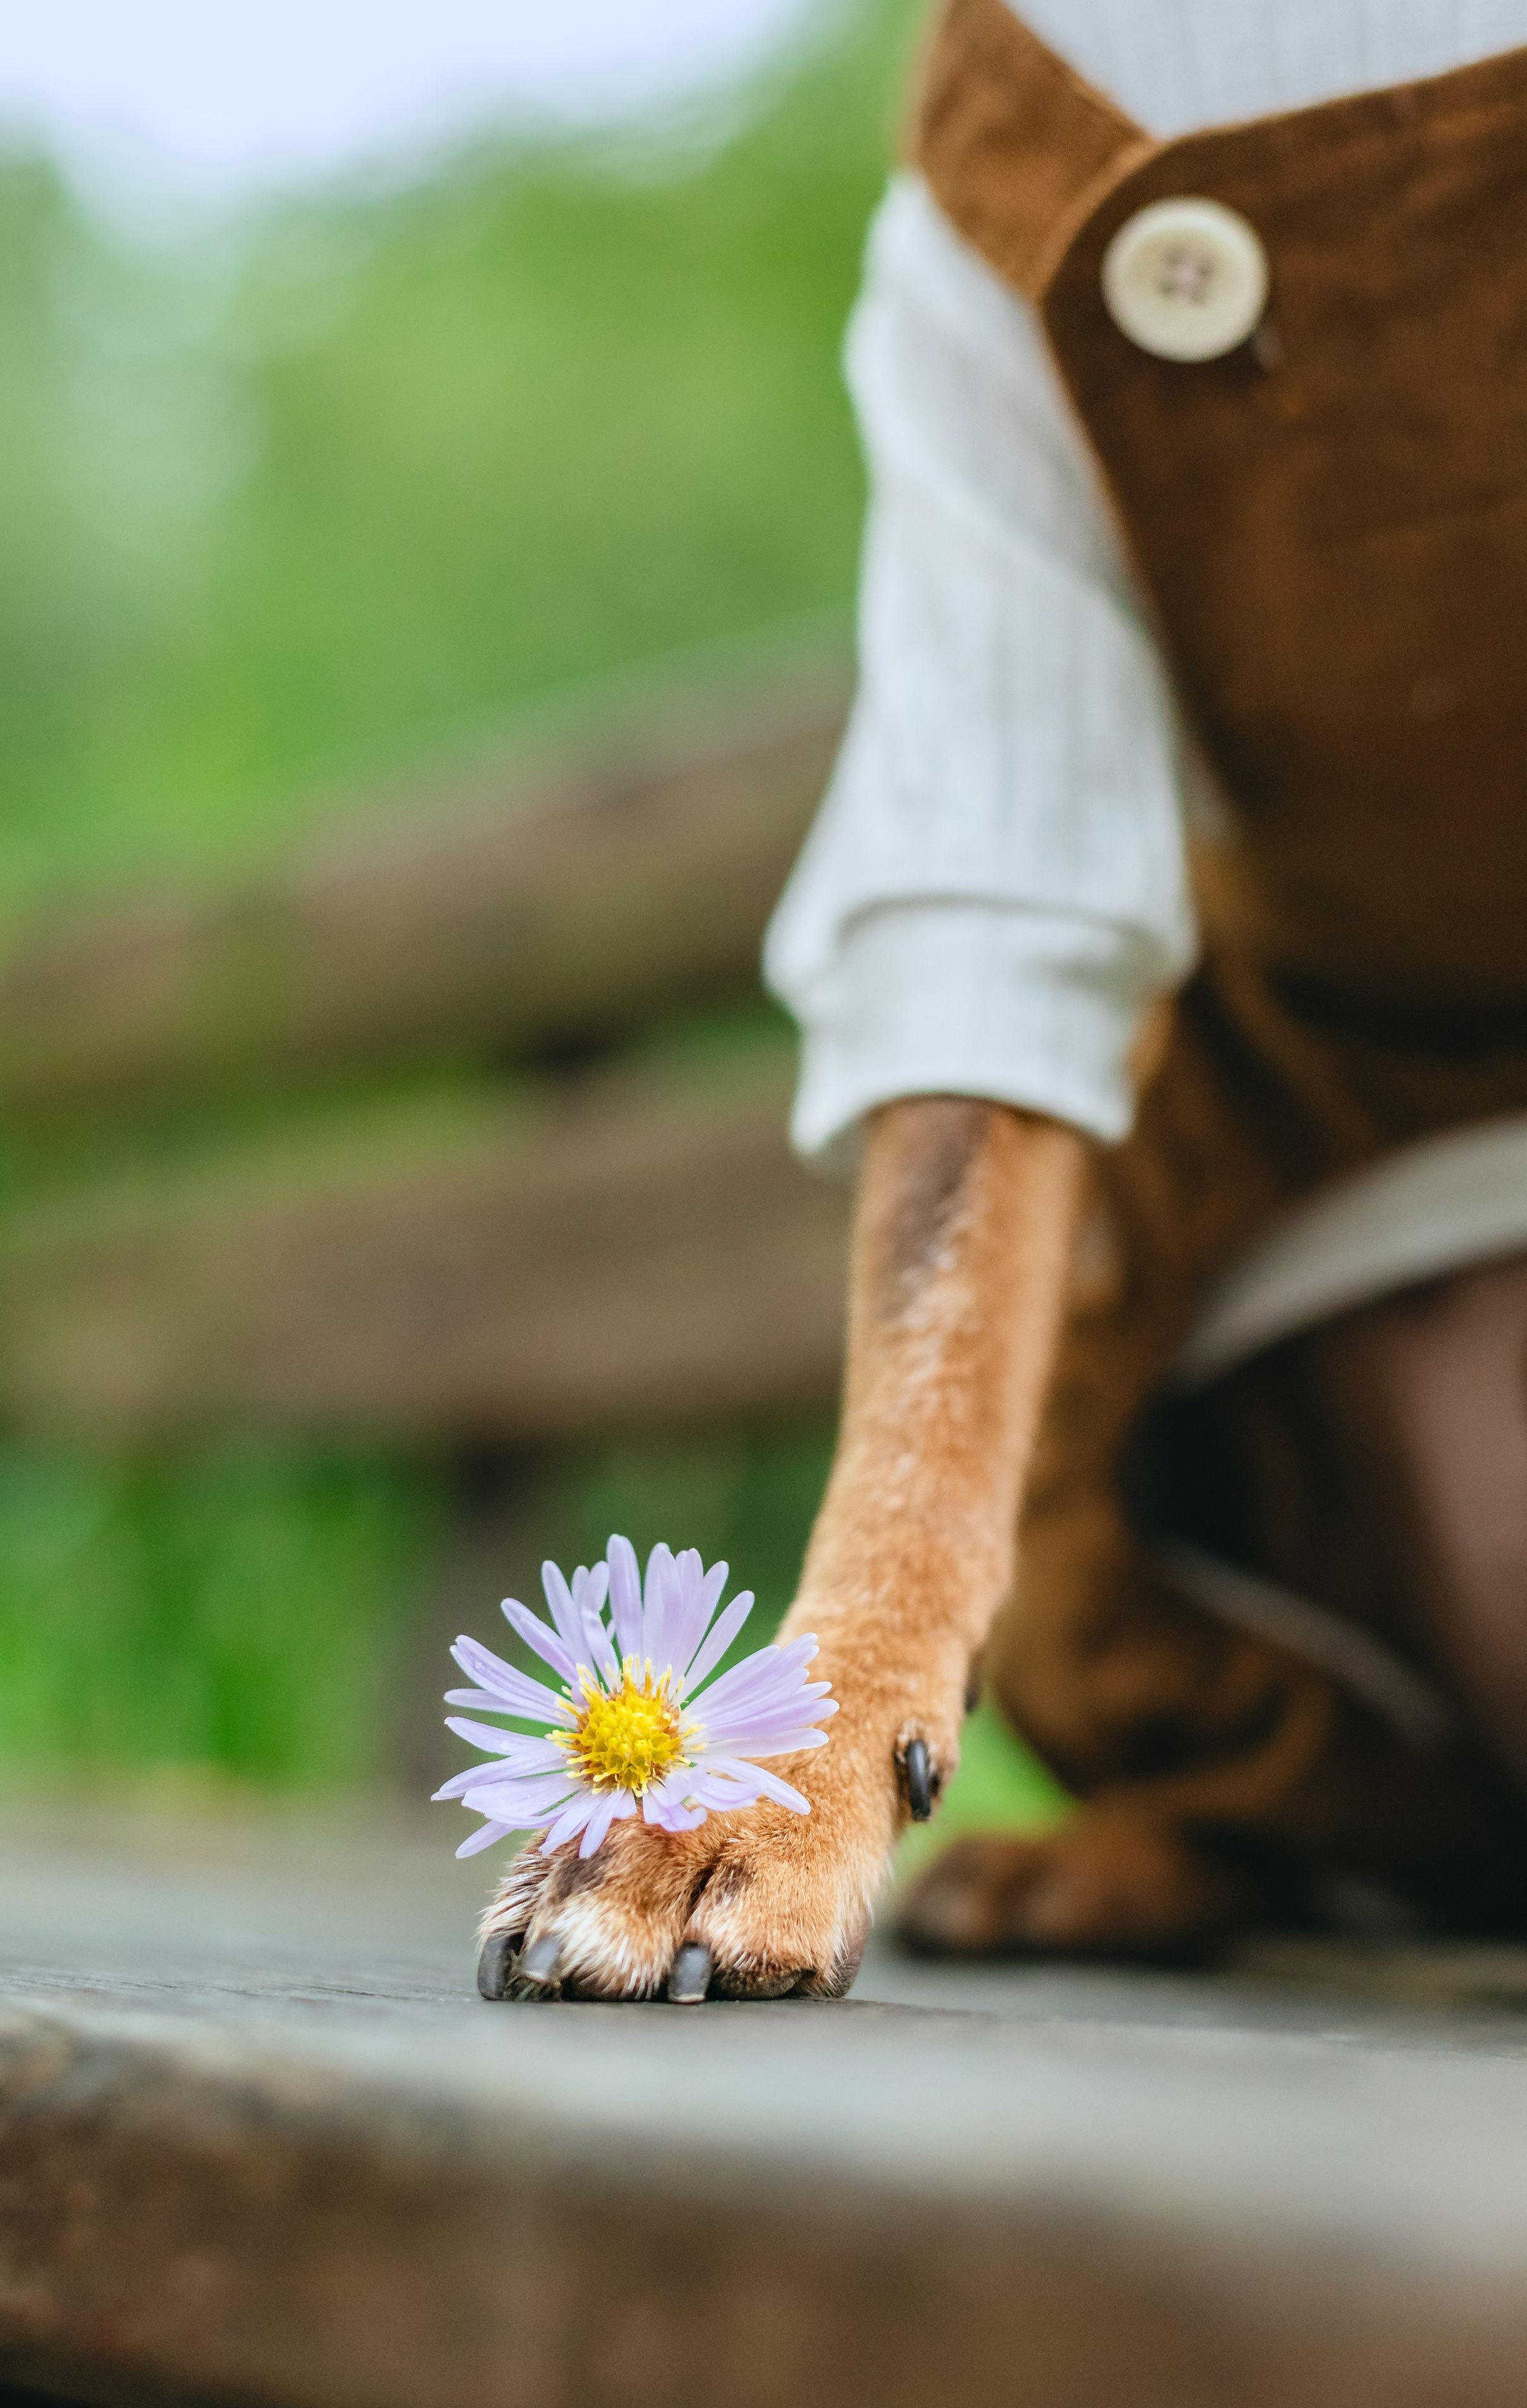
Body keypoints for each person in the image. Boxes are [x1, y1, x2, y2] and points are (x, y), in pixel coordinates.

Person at [480, 0, 1527, 1997]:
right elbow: (994, 893)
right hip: (1332, 1309)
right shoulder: (1026, 154)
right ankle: (1282, 1818)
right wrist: (848, 1673)